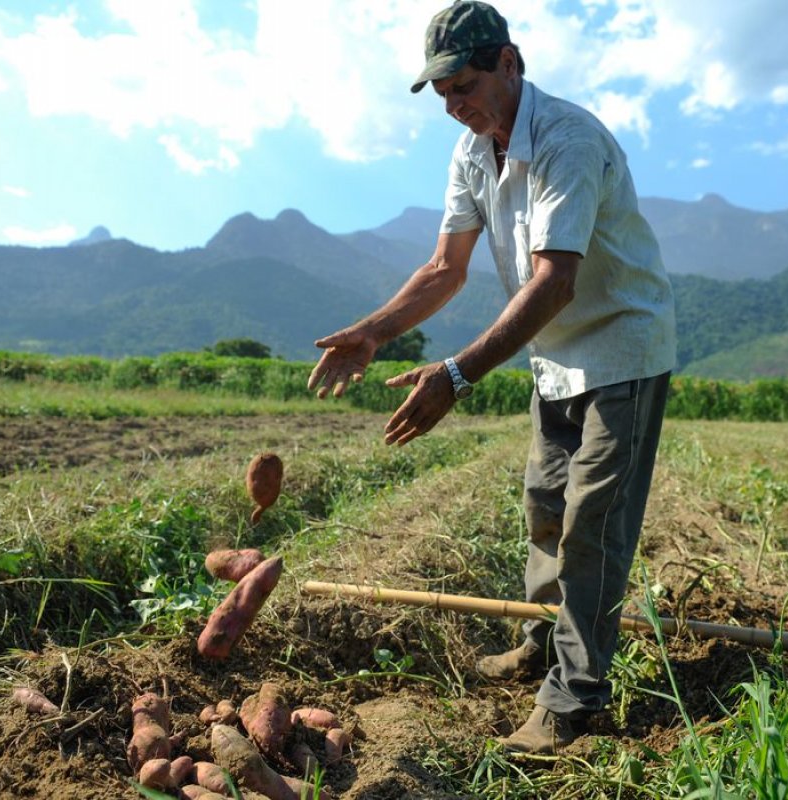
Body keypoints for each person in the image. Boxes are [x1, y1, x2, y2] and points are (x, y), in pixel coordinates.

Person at [307, 0, 676, 755]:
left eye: (464, 85)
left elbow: (554, 283)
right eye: (442, 94)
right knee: (545, 505)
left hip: (621, 349)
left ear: (509, 63)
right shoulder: (475, 151)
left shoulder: (568, 140)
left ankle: (576, 698)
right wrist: (375, 332)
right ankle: (547, 640)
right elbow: (446, 267)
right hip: (555, 355)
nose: (453, 105)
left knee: (592, 526)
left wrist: (456, 375)